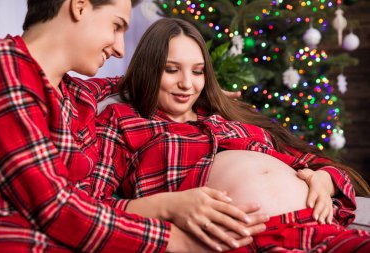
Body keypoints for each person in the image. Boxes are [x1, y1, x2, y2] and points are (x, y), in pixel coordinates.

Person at [0, 1, 266, 252]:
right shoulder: (2, 66)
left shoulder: (77, 94)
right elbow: (56, 207)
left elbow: (130, 81)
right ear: (80, 6)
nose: (121, 48)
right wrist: (176, 237)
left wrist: (203, 90)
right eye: (116, 26)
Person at [85, 18, 370, 252]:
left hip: (314, 225)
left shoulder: (228, 117)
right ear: (149, 70)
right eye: (171, 70)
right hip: (238, 240)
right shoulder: (123, 121)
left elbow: (317, 163)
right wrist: (164, 207)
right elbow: (90, 208)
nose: (187, 84)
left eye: (198, 72)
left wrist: (325, 179)